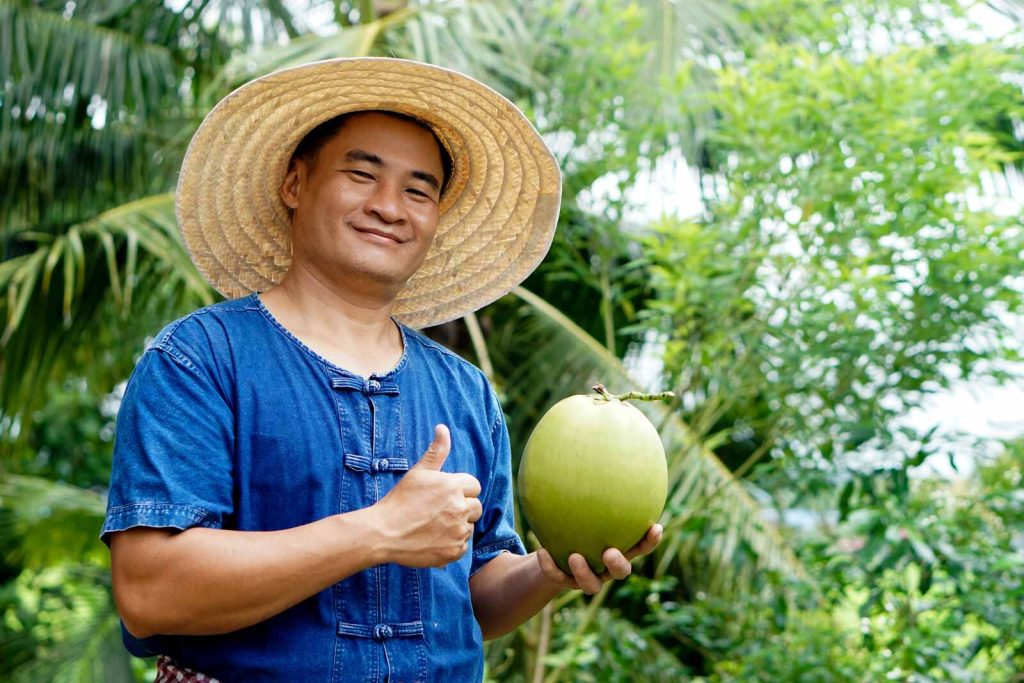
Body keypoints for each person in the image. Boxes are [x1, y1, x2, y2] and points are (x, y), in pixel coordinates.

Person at [102, 58, 662, 683]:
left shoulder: (466, 392)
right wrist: (378, 531)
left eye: (418, 190)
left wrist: (547, 570)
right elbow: (151, 592)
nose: (389, 207)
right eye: (362, 174)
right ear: (294, 184)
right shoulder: (199, 360)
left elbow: (474, 597)